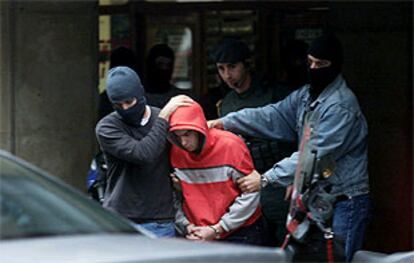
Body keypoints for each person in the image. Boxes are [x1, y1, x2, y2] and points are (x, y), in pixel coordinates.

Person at [208, 33, 372, 262]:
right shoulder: (307, 95)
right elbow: (272, 115)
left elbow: (313, 156)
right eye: (311, 62)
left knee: (339, 258)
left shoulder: (340, 106)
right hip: (315, 200)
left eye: (321, 64)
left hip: (345, 200)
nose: (314, 68)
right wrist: (225, 122)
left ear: (335, 65)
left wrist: (265, 179)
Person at [209, 38, 297, 246]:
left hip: (279, 181)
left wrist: (295, 178)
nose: (227, 75)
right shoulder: (227, 102)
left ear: (246, 64)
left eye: (232, 67)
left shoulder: (276, 95)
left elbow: (299, 137)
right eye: (221, 69)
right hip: (247, 187)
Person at [95, 66, 193, 237]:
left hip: (159, 219)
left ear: (140, 93)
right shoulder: (107, 127)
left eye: (129, 102)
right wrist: (164, 117)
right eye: (118, 105)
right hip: (121, 220)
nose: (125, 109)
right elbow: (143, 154)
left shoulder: (164, 119)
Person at [168, 101, 265, 246]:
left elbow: (251, 193)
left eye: (187, 134)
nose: (183, 142)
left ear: (199, 129)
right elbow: (173, 196)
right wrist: (186, 225)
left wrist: (219, 228)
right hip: (197, 231)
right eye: (177, 136)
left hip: (240, 230)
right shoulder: (176, 151)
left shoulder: (230, 145)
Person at [144, 43, 196, 108]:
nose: (164, 69)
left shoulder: (180, 99)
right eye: (160, 64)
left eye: (168, 65)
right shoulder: (137, 98)